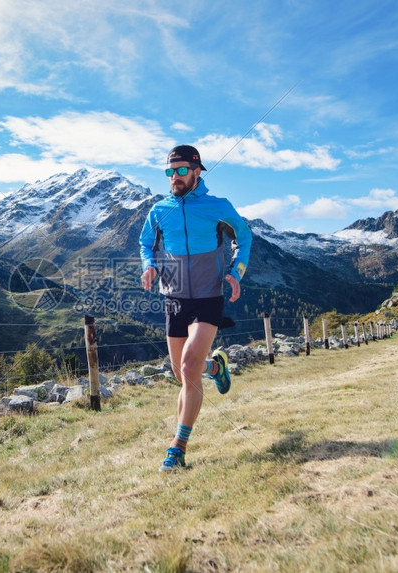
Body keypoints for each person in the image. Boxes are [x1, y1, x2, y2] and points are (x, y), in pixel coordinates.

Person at [139, 144, 253, 472]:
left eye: (181, 170)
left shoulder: (218, 207)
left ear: (197, 170)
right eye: (170, 171)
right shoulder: (159, 210)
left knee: (189, 367)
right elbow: (146, 244)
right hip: (174, 297)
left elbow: (244, 238)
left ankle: (177, 447)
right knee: (182, 373)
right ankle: (215, 368)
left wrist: (235, 273)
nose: (174, 177)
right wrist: (149, 266)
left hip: (208, 296)